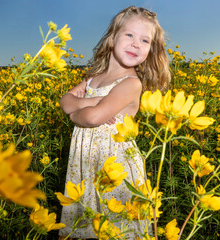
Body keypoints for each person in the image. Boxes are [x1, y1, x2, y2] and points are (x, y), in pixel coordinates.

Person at [58, 6, 170, 239]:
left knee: (117, 226)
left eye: (145, 40)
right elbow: (65, 101)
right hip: (85, 163)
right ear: (112, 39)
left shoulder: (131, 84)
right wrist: (95, 101)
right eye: (129, 35)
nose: (136, 44)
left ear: (150, 50)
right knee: (88, 223)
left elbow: (92, 117)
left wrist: (77, 112)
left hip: (115, 166)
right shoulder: (93, 78)